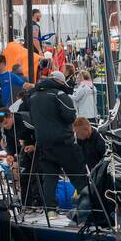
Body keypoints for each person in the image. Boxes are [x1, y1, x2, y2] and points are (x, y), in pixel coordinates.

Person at [28, 70, 88, 209]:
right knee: (78, 175)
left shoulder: (33, 96)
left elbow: (32, 120)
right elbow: (70, 116)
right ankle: (88, 207)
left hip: (43, 144)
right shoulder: (59, 94)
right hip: (63, 143)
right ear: (60, 82)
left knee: (49, 178)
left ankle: (50, 210)